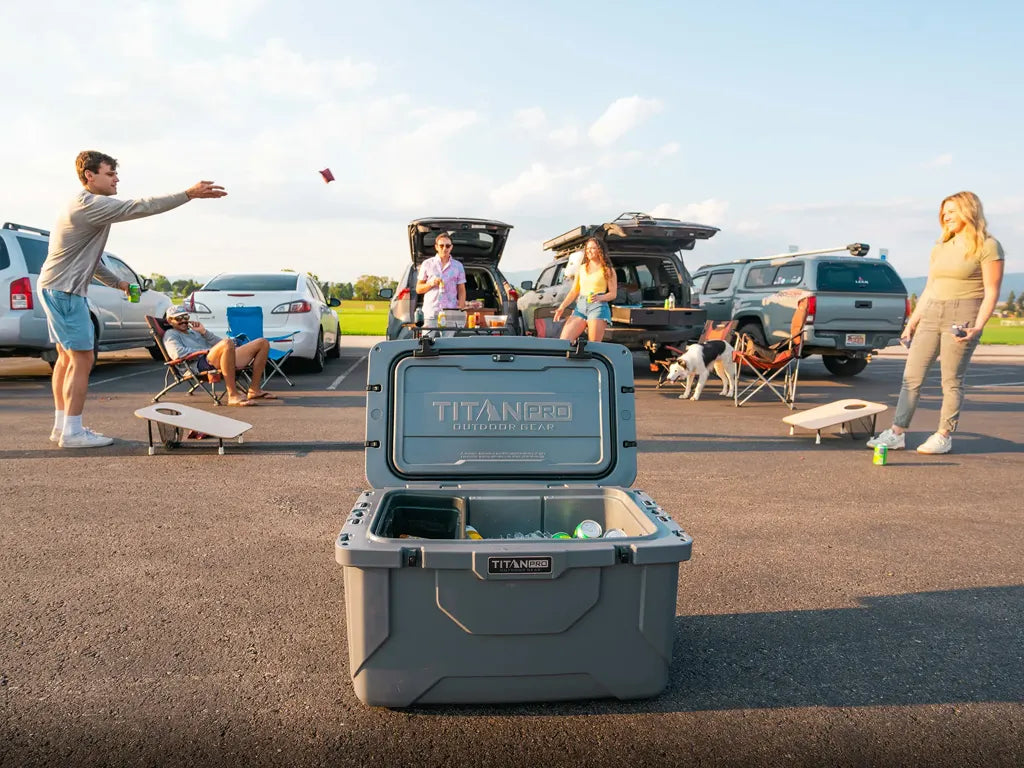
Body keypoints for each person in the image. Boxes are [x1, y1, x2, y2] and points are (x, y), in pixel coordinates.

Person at [39, 150, 227, 448]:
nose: (116, 179)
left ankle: (62, 426)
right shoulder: (92, 204)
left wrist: (120, 284)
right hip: (66, 291)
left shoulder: (79, 205)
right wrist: (188, 194)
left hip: (56, 288)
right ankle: (72, 433)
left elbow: (94, 262)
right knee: (83, 358)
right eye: (110, 173)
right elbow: (141, 206)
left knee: (66, 358)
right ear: (90, 175)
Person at [867, 191, 1005, 454]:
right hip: (931, 314)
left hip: (963, 314)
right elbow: (930, 288)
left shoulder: (987, 245)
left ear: (969, 210)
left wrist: (979, 325)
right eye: (944, 211)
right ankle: (897, 432)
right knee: (911, 378)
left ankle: (944, 434)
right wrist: (912, 322)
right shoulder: (941, 246)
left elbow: (992, 291)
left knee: (951, 381)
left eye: (952, 211)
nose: (946, 216)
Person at [161, 305, 274, 407]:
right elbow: (177, 353)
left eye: (185, 317)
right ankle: (233, 395)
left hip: (214, 357)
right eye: (179, 319)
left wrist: (204, 332)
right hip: (197, 364)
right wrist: (208, 351)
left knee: (262, 343)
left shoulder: (194, 332)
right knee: (226, 343)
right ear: (170, 321)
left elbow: (220, 343)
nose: (184, 321)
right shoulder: (171, 334)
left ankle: (254, 390)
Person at [552, 236, 618, 342]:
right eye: (587, 249)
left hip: (598, 307)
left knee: (594, 345)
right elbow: (574, 291)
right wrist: (562, 307)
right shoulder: (581, 268)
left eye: (592, 248)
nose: (589, 251)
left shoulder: (608, 270)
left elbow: (613, 294)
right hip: (581, 306)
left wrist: (600, 297)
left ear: (599, 250)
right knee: (564, 341)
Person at [416, 231, 466, 327]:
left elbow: (461, 289)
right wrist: (431, 284)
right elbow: (418, 289)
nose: (444, 248)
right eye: (441, 245)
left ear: (451, 247)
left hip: (451, 312)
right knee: (427, 341)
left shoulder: (458, 266)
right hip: (431, 312)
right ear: (436, 247)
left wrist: (461, 308)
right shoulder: (427, 264)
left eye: (447, 246)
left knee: (449, 342)